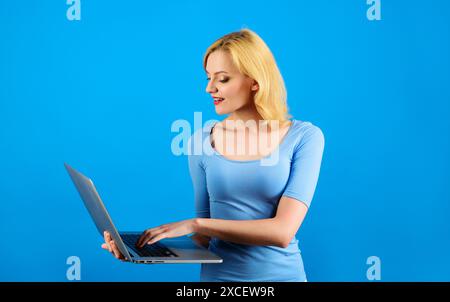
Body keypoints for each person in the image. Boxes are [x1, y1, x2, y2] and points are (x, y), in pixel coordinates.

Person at [102, 28, 325, 282]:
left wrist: (195, 224)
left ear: (255, 81)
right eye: (208, 77)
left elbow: (283, 232)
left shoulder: (305, 137)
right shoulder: (201, 141)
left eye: (223, 79)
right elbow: (204, 238)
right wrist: (140, 249)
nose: (210, 88)